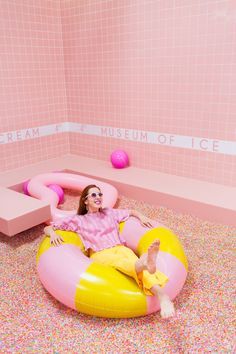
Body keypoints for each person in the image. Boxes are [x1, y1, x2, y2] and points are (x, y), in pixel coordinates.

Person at [44, 184, 175, 319]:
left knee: (129, 258)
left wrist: (142, 217)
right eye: (94, 195)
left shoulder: (109, 212)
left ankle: (160, 292)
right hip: (100, 253)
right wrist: (53, 235)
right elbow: (49, 228)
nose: (98, 197)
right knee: (121, 262)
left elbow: (132, 212)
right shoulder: (78, 220)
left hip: (120, 248)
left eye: (100, 194)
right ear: (85, 201)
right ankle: (147, 269)